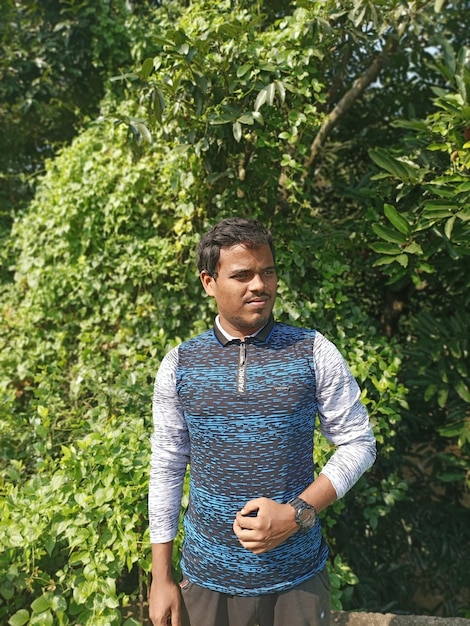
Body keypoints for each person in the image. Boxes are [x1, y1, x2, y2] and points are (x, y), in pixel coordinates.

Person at [148, 217, 376, 626]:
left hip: (297, 580)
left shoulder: (313, 351)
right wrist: (161, 575)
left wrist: (297, 513)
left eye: (267, 271)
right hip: (206, 582)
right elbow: (166, 467)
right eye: (242, 275)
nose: (259, 285)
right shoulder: (180, 365)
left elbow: (359, 442)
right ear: (208, 282)